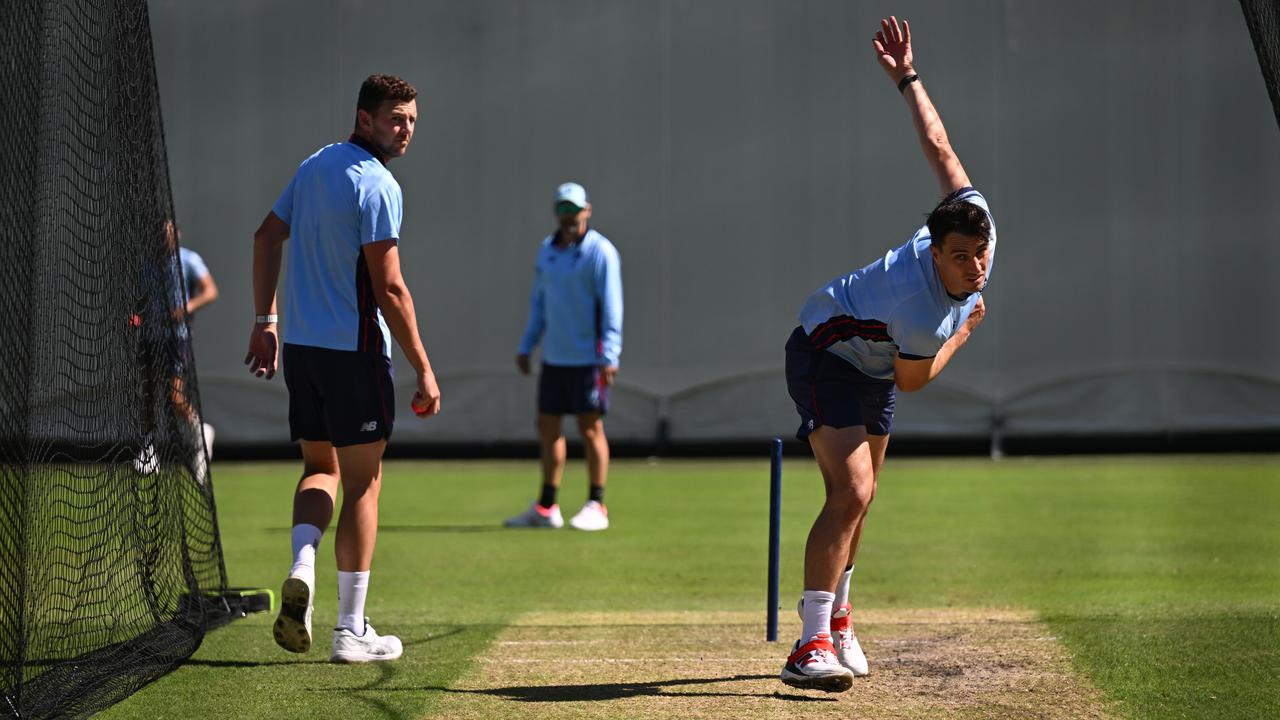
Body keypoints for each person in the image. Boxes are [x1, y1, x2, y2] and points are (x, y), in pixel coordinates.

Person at [779, 17, 996, 692]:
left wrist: (908, 76)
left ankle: (840, 621)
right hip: (827, 352)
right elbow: (917, 378)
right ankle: (809, 646)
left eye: (980, 254)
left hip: (873, 361)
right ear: (935, 254)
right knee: (853, 489)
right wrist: (964, 332)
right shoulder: (921, 308)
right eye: (959, 258)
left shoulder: (976, 215)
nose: (974, 267)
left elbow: (938, 144)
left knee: (860, 504)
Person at [244, 74, 441, 664]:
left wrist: (265, 319)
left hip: (302, 351)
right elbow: (391, 288)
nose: (404, 130)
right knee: (364, 482)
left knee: (317, 468)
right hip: (354, 353)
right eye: (394, 119)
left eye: (411, 120)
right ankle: (349, 631)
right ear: (365, 119)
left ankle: (302, 564)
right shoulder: (377, 184)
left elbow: (265, 236)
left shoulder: (314, 165)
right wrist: (425, 369)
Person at [505, 182, 622, 532]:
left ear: (587, 210)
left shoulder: (601, 252)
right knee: (548, 428)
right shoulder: (547, 250)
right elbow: (539, 304)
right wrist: (527, 345)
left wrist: (610, 354)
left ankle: (596, 504)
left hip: (589, 359)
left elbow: (612, 307)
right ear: (558, 213)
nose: (569, 217)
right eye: (563, 210)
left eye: (575, 210)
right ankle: (546, 506)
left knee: (590, 428)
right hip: (554, 359)